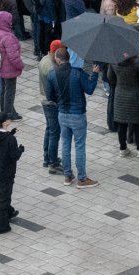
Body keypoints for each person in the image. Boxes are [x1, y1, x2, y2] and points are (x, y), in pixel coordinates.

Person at [46, 47, 100, 188]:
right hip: (78, 115)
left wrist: (60, 101)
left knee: (65, 144)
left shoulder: (52, 74)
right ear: (69, 58)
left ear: (57, 60)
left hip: (62, 114)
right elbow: (89, 89)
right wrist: (94, 75)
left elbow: (49, 96)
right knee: (79, 146)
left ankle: (67, 176)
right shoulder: (77, 73)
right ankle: (82, 179)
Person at [0, 113, 22, 234]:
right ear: (5, 123)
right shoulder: (10, 139)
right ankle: (1, 226)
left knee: (0, 195)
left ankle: (9, 212)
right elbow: (15, 156)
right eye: (8, 119)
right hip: (6, 173)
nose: (10, 119)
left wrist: (11, 133)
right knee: (3, 199)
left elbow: (2, 141)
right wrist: (20, 149)